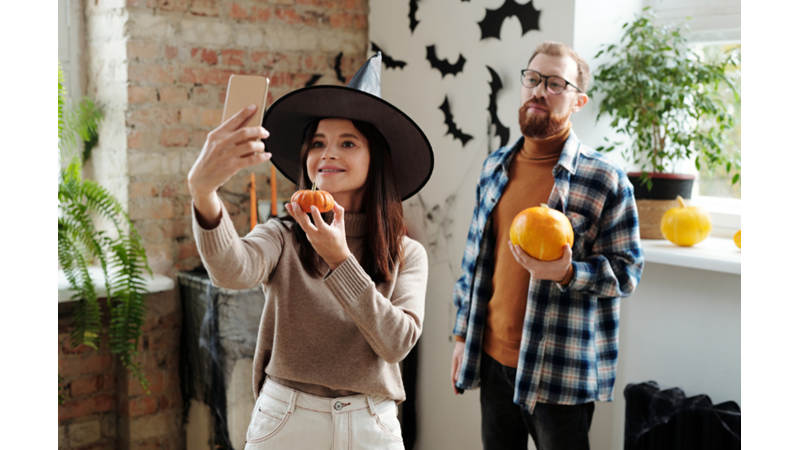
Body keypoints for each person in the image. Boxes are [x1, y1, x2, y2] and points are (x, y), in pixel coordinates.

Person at [188, 53, 434, 450]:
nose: (327, 153)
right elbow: (231, 271)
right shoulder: (283, 234)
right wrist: (204, 194)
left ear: (376, 160)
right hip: (286, 419)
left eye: (347, 142)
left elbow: (396, 343)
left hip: (371, 424)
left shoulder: (408, 253)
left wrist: (340, 260)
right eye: (318, 143)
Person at [450, 41, 645, 450]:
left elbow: (627, 272)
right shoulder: (494, 167)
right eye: (533, 79)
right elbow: (475, 263)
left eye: (556, 84)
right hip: (493, 359)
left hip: (560, 371)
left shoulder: (605, 179)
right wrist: (462, 337)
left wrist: (569, 273)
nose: (539, 91)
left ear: (578, 101)